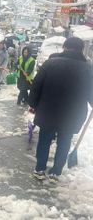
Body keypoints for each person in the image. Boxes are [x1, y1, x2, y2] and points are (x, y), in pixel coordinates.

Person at [29, 37, 93, 183]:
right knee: (64, 142)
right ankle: (56, 172)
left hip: (48, 112)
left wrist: (32, 104)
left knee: (44, 140)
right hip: (72, 115)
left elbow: (36, 85)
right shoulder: (88, 68)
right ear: (81, 50)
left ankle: (39, 169)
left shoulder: (50, 63)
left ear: (64, 47)